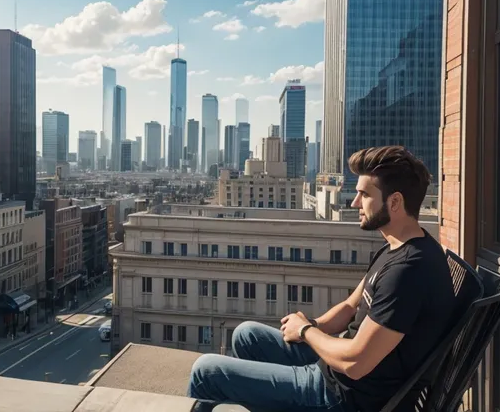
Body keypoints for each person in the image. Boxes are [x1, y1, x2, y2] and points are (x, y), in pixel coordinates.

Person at [188, 146, 456, 412]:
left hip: (342, 396)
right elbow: (351, 306)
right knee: (247, 335)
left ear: (394, 202)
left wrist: (306, 332)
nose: (354, 203)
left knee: (207, 371)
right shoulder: (396, 247)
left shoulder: (408, 271)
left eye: (364, 195)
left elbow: (356, 363)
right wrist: (312, 324)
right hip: (337, 373)